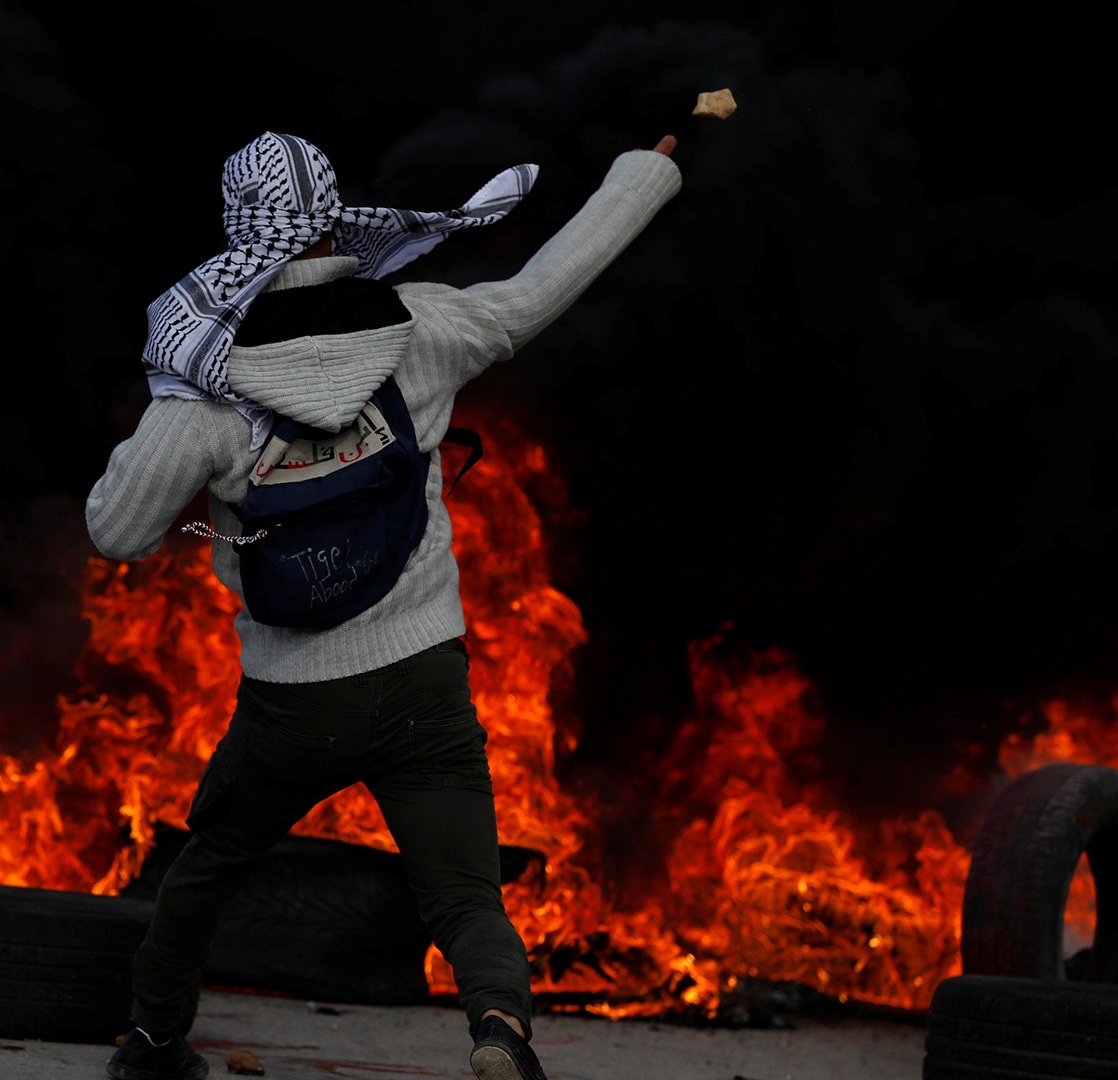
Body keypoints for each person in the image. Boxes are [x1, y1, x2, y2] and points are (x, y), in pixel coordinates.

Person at [87, 128, 680, 1080]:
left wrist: (190, 455)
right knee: (463, 892)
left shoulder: (209, 385)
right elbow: (534, 294)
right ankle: (499, 1031)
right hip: (422, 685)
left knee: (207, 871)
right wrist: (645, 175)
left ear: (241, 234)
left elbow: (115, 530)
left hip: (291, 706)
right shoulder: (421, 329)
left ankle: (154, 1042)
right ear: (333, 219)